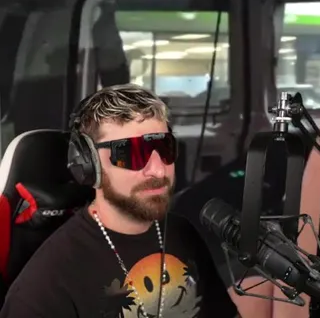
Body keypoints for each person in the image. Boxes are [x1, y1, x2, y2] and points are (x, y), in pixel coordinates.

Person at [0, 84, 242, 318]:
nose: (158, 170)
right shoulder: (44, 288)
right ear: (88, 165)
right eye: (132, 154)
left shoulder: (182, 233)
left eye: (164, 148)